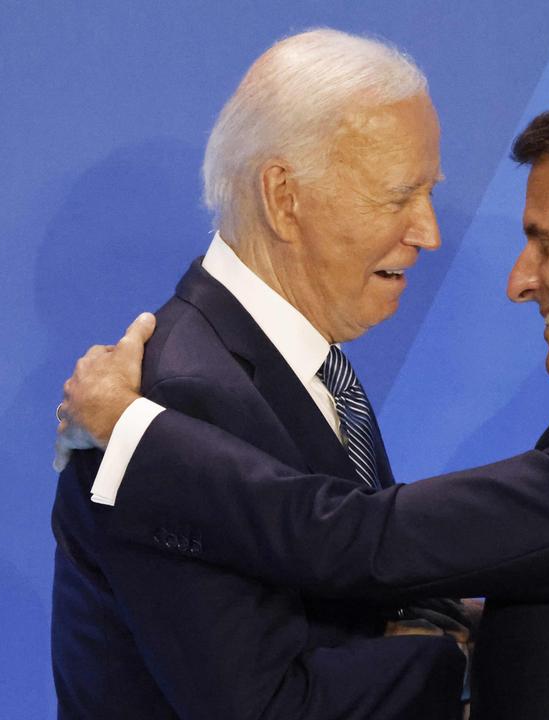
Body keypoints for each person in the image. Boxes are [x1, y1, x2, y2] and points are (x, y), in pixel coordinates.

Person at [59, 83, 549, 719]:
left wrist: (132, 432)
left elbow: (359, 541)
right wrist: (462, 629)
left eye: (545, 241)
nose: (519, 280)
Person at [50, 28, 467, 720]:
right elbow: (268, 709)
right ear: (283, 197)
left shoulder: (298, 367)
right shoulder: (180, 398)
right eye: (399, 196)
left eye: (429, 194)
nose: (428, 231)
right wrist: (449, 652)